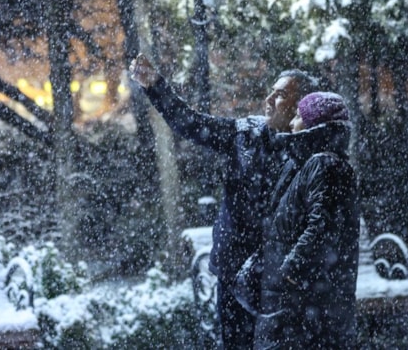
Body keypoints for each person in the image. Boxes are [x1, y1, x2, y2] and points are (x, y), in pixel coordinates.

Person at [129, 53, 320, 349]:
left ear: (301, 106)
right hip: (234, 273)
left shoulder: (312, 154)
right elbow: (190, 123)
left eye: (281, 94)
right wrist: (155, 85)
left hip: (281, 280)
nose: (269, 99)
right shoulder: (245, 133)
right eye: (271, 91)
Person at [253, 91, 359, 349]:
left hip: (302, 299)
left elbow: (322, 226)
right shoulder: (308, 162)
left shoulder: (323, 164)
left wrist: (290, 272)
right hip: (298, 297)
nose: (292, 122)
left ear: (316, 125)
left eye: (299, 116)